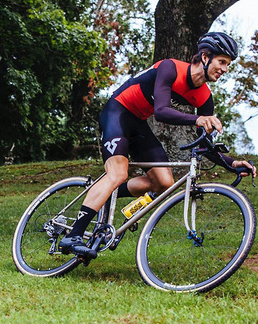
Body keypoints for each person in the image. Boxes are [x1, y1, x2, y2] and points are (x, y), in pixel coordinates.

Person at [58, 32, 257, 258]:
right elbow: (161, 111)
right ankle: (73, 235)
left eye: (228, 64)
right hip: (118, 112)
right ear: (205, 56)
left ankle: (104, 196)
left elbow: (205, 145)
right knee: (117, 173)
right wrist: (197, 119)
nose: (225, 69)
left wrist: (232, 164)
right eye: (222, 62)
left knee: (164, 181)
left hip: (138, 122)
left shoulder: (204, 97)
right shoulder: (171, 68)